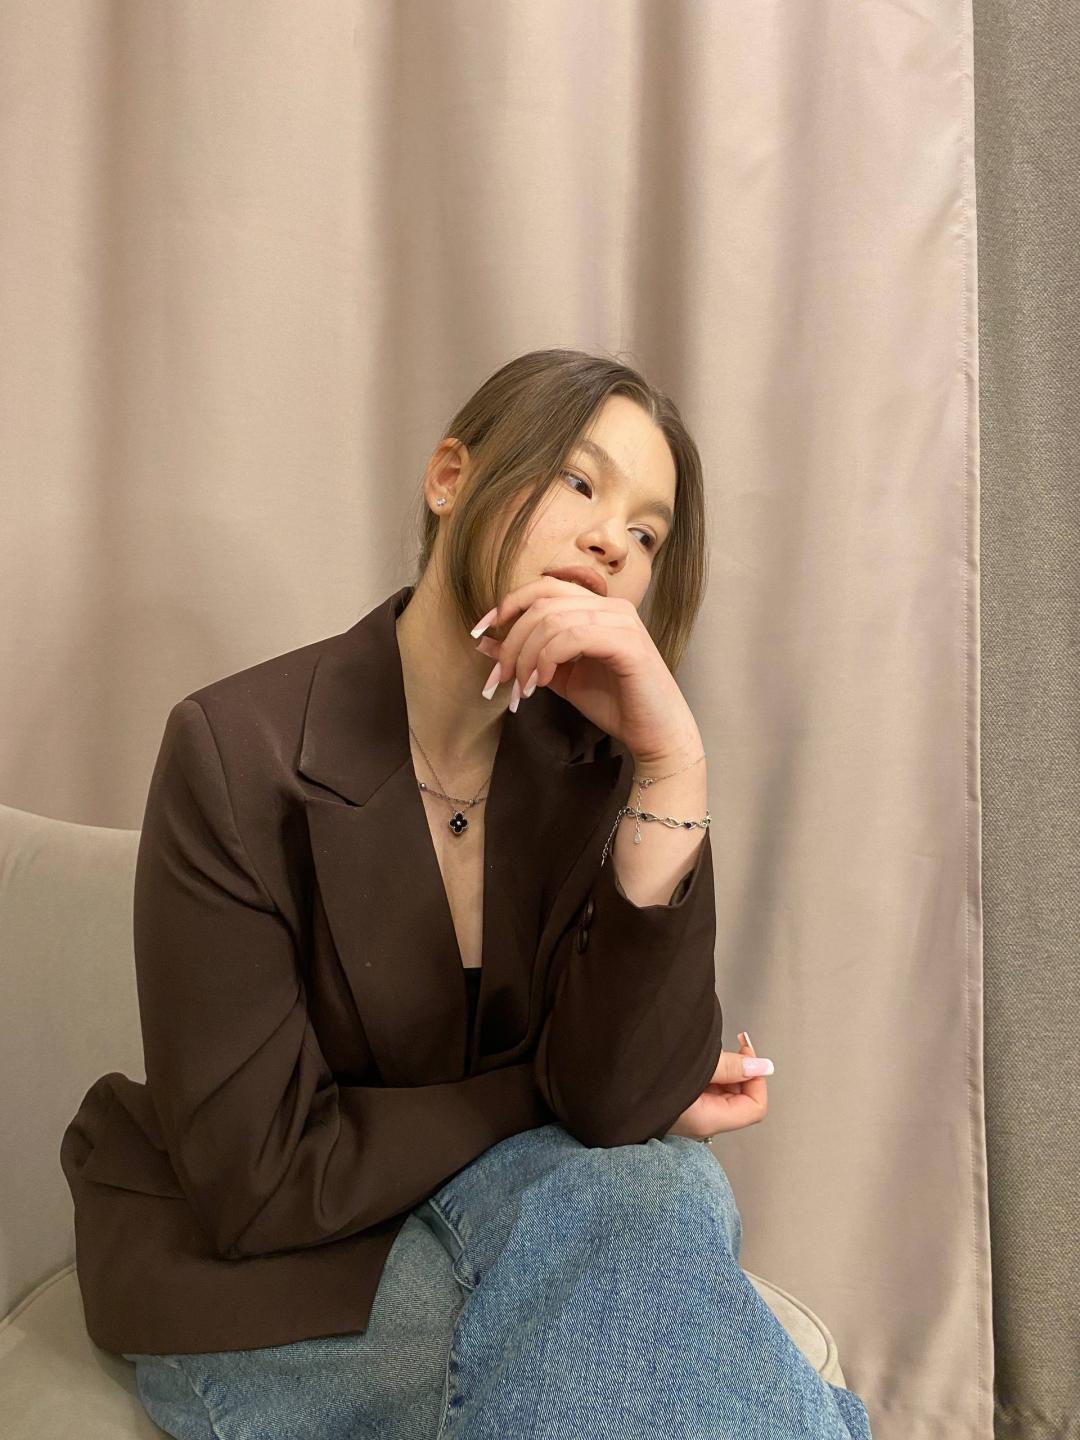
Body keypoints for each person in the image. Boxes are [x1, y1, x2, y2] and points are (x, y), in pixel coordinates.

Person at [61, 348, 873, 1437]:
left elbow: (622, 1105)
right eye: (579, 482)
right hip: (273, 1285)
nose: (612, 543)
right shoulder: (235, 751)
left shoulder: (594, 759)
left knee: (653, 1211)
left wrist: (673, 765)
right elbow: (262, 1182)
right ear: (451, 477)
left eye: (647, 535)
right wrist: (544, 1090)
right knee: (647, 1241)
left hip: (510, 1219)